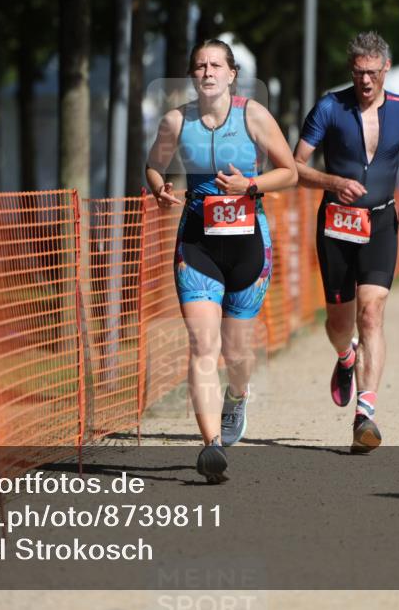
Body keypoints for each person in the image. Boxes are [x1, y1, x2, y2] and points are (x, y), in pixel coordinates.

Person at [144, 39, 297, 482]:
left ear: (231, 74)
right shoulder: (176, 121)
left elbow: (288, 172)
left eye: (216, 65)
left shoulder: (253, 115)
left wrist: (250, 185)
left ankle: (238, 393)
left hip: (248, 240)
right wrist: (158, 186)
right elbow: (154, 165)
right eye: (199, 66)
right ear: (192, 76)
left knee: (235, 350)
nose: (207, 72)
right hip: (197, 242)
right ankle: (210, 446)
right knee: (202, 345)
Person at [293, 32, 399, 454]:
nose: (365, 81)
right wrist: (332, 181)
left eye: (372, 73)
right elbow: (295, 166)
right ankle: (346, 357)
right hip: (336, 224)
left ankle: (365, 415)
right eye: (357, 73)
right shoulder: (330, 108)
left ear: (386, 68)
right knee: (338, 323)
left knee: (371, 313)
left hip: (382, 222)